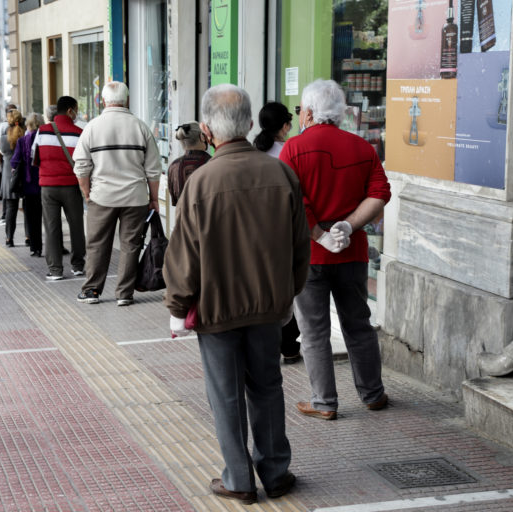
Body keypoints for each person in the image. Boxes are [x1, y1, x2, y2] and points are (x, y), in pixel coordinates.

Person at [163, 84, 310, 505]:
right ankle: (276, 473)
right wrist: (287, 295)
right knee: (267, 386)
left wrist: (177, 306)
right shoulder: (281, 174)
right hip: (268, 308)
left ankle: (239, 479)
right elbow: (301, 248)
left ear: (207, 130)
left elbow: (183, 254)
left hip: (217, 309)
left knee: (225, 395)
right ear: (248, 124)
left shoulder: (201, 181)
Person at [280, 79, 391, 420]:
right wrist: (349, 225)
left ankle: (324, 402)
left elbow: (292, 200)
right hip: (353, 252)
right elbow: (380, 194)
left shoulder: (294, 149)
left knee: (313, 331)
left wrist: (318, 233)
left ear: (309, 113)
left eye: (300, 111)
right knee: (358, 323)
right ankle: (372, 394)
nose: (300, 116)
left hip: (309, 255)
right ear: (340, 113)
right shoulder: (362, 147)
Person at [73, 81, 161, 305]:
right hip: (135, 196)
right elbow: (153, 169)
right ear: (127, 100)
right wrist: (153, 199)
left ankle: (92, 290)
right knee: (131, 244)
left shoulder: (92, 127)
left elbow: (81, 165)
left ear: (103, 101)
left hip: (101, 196)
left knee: (97, 244)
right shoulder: (141, 127)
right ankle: (124, 293)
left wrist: (87, 192)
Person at [253, 101, 301, 365]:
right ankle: (290, 345)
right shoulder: (290, 151)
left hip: (257, 231)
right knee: (287, 290)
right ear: (284, 126)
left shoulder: (252, 151)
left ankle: (265, 344)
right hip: (284, 230)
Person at [32, 96, 85, 280]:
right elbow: (84, 162)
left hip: (48, 187)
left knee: (52, 227)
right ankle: (78, 266)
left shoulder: (43, 131)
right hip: (71, 186)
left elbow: (34, 157)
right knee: (76, 225)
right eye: (76, 109)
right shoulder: (79, 133)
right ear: (70, 111)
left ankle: (55, 270)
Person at [11, 112, 44, 256]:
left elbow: (14, 162)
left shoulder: (22, 141)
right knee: (50, 219)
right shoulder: (45, 139)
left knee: (32, 218)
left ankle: (35, 248)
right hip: (45, 183)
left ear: (28, 125)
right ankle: (58, 246)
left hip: (28, 185)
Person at [166, 121, 210, 206]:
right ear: (202, 137)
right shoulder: (211, 162)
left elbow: (174, 201)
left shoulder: (173, 166)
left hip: (182, 217)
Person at [1, 110, 25, 246]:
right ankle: (28, 237)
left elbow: (1, 153)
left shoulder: (4, 138)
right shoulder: (24, 136)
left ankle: (9, 238)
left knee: (11, 208)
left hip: (8, 174)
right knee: (28, 208)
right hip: (24, 174)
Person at [0, 104, 18, 223]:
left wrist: (1, 163)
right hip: (21, 165)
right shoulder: (23, 129)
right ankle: (28, 236)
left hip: (8, 164)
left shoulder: (3, 127)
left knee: (8, 195)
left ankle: (5, 215)